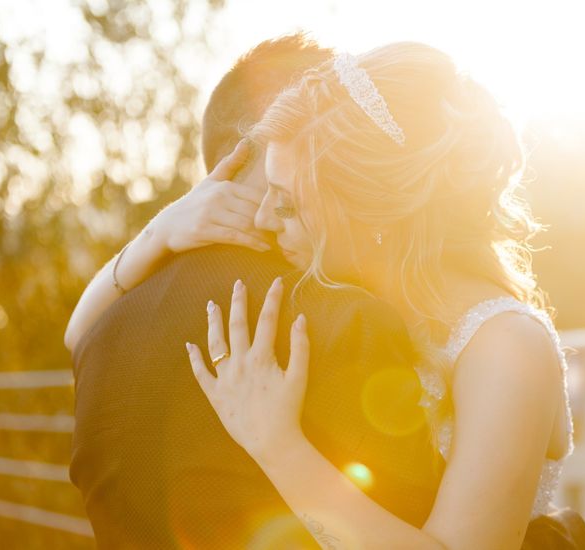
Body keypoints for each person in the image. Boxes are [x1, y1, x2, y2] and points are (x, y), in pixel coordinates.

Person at [184, 42, 585, 548]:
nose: (264, 218)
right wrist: (154, 238)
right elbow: (80, 333)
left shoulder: (508, 348)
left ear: (368, 213)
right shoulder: (345, 300)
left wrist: (276, 444)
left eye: (287, 203)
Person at [66, 34, 442, 549]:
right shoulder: (347, 322)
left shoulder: (101, 335)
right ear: (265, 138)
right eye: (318, 118)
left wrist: (153, 236)